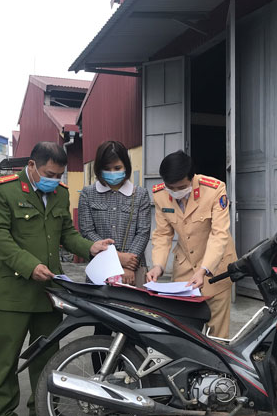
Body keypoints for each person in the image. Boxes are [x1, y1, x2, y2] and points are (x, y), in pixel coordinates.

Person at [0, 141, 113, 416]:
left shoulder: (60, 193)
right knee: (6, 359)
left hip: (49, 292)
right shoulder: (1, 189)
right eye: (49, 174)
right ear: (32, 166)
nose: (54, 180)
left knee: (47, 356)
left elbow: (67, 234)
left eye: (59, 175)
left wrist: (90, 247)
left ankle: (41, 410)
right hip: (12, 293)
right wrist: (29, 266)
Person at [146, 150, 237, 338]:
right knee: (183, 330)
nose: (176, 192)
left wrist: (204, 269)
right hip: (185, 267)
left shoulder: (214, 190)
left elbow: (219, 234)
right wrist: (158, 265)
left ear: (192, 177)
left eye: (181, 187)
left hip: (216, 268)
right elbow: (163, 234)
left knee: (217, 333)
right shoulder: (160, 194)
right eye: (171, 187)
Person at [78, 140, 151, 287]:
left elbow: (143, 232)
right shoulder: (88, 194)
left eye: (117, 168)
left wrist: (129, 264)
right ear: (99, 168)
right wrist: (116, 258)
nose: (112, 172)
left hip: (133, 270)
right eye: (107, 168)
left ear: (126, 166)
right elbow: (87, 231)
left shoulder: (140, 194)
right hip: (100, 269)